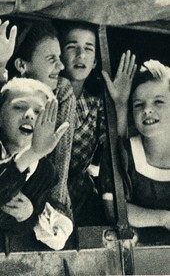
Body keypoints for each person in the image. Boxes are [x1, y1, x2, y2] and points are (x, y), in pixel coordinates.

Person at [59, 21, 137, 225]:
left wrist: (120, 104)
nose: (80, 55)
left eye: (88, 48)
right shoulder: (43, 98)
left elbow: (117, 148)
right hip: (40, 196)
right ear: (58, 55)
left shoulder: (95, 106)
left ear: (94, 62)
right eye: (71, 47)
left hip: (81, 199)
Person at [0, 19, 76, 220]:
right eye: (51, 59)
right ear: (21, 65)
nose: (61, 66)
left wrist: (41, 212)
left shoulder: (62, 90)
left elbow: (60, 161)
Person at [0, 77, 73, 253]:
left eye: (39, 112)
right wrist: (32, 153)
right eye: (19, 107)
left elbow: (20, 226)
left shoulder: (46, 172)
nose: (29, 115)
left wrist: (27, 215)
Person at [103, 59, 170, 245]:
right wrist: (164, 219)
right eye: (139, 105)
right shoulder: (124, 154)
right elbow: (114, 208)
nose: (148, 110)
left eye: (158, 102)